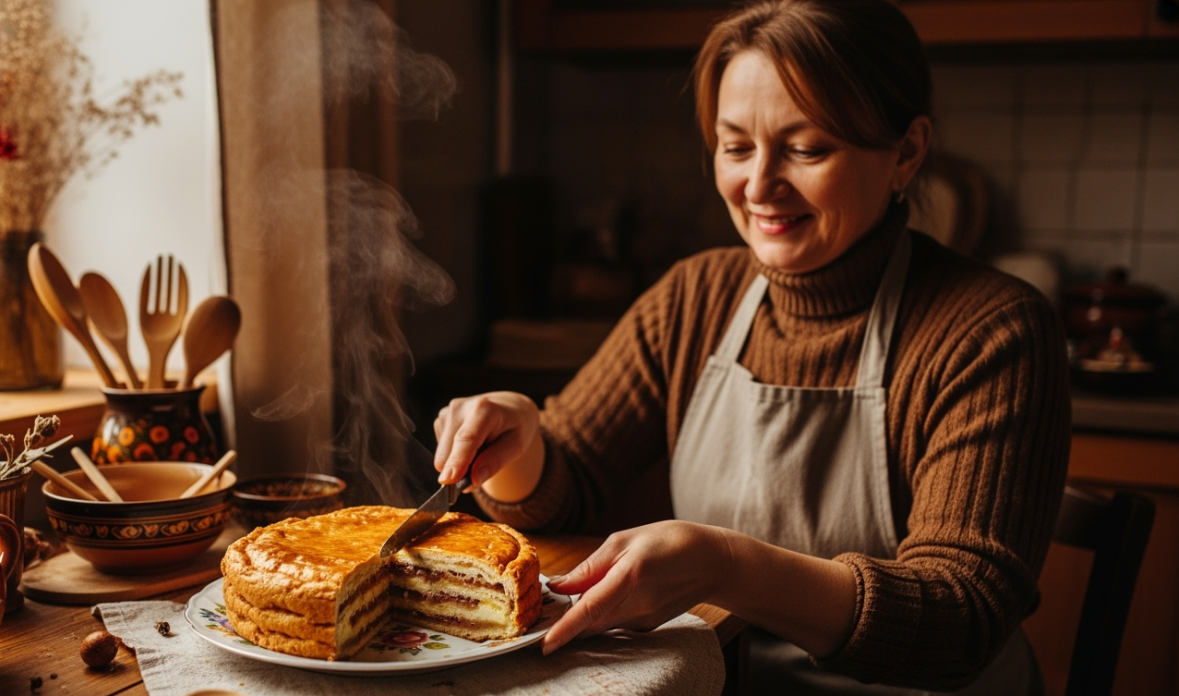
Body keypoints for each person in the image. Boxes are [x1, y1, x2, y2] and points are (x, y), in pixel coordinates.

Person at [431, 0, 1071, 693]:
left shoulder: (990, 332)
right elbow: (566, 482)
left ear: (906, 153)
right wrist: (519, 444)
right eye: (736, 147)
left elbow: (962, 621)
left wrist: (728, 567)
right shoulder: (695, 296)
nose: (759, 186)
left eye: (806, 148)